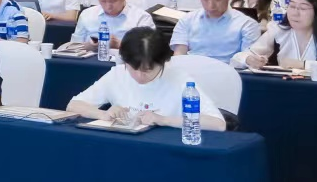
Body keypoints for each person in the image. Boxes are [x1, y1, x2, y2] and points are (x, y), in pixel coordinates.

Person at [67, 26, 227, 130]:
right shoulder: (117, 74)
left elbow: (218, 124)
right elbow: (73, 105)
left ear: (164, 62)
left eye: (147, 70)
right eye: (133, 68)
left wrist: (163, 120)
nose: (139, 76)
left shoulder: (180, 80)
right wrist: (103, 114)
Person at [171, 0, 261, 60]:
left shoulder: (247, 25)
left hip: (229, 68)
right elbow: (179, 57)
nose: (211, 6)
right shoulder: (187, 20)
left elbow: (248, 60)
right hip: (192, 68)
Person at [70, 0, 154, 53]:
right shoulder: (87, 15)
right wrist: (90, 46)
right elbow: (71, 48)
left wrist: (120, 45)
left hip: (126, 62)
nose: (108, 6)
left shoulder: (141, 18)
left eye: (113, 1)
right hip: (91, 61)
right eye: (103, 1)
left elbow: (151, 50)